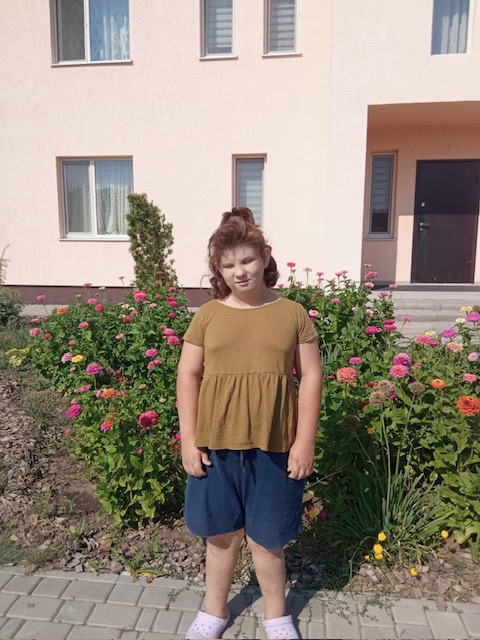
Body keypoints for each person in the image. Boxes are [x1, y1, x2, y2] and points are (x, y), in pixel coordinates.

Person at [176, 207, 322, 640]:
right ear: (219, 270)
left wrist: (305, 441)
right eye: (229, 265)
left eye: (247, 260)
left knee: (268, 539)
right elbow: (188, 375)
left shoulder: (292, 313)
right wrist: (188, 440)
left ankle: (277, 617)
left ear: (264, 257)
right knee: (221, 537)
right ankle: (214, 611)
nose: (240, 272)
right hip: (216, 446)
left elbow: (311, 377)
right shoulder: (208, 315)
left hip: (274, 447)